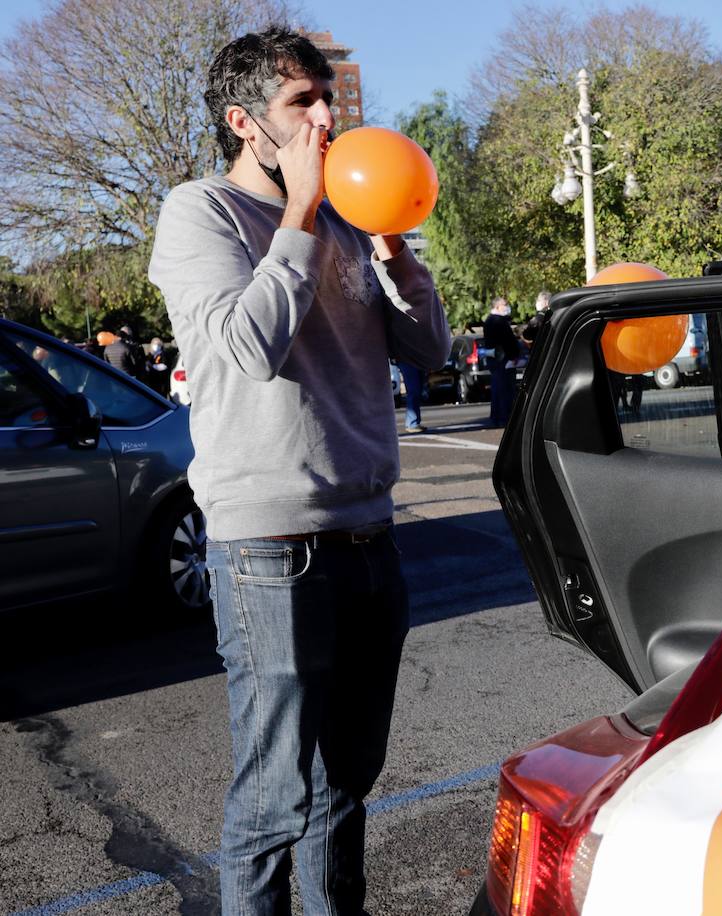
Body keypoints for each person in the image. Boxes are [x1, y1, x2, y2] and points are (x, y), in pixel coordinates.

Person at [147, 28, 449, 916]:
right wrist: (302, 215)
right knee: (276, 798)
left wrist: (394, 247)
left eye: (329, 99)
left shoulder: (357, 219)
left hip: (369, 533)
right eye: (301, 104)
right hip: (269, 545)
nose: (328, 119)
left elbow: (428, 351)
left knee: (345, 787)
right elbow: (245, 348)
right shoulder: (200, 212)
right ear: (246, 123)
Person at [483, 296, 520, 428]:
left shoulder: (489, 321)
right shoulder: (499, 321)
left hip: (495, 359)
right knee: (505, 390)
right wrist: (514, 355)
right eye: (505, 304)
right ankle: (505, 418)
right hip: (503, 359)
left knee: (497, 390)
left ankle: (497, 417)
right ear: (498, 306)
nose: (507, 307)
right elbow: (508, 341)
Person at [397, 360, 425, 432]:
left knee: (417, 389)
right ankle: (412, 423)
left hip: (417, 359)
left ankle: (414, 422)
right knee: (413, 389)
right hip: (407, 359)